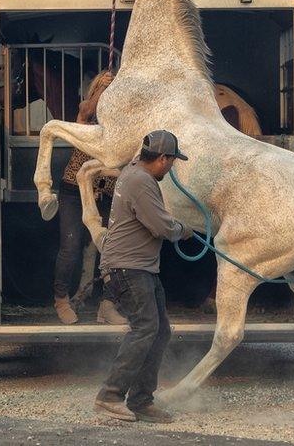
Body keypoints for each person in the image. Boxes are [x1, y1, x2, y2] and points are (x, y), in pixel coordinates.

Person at [94, 130, 193, 424]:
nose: (173, 166)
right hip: (128, 268)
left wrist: (171, 224)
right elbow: (161, 228)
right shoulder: (141, 181)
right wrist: (183, 230)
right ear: (162, 159)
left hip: (140, 267)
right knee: (145, 327)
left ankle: (141, 400)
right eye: (173, 161)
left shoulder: (134, 172)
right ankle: (110, 396)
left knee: (160, 330)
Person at [54, 70, 126, 325]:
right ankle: (61, 299)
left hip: (106, 194)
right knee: (71, 246)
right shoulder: (87, 116)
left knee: (112, 251)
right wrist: (102, 89)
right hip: (75, 190)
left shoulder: (122, 123)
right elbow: (86, 111)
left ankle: (107, 305)